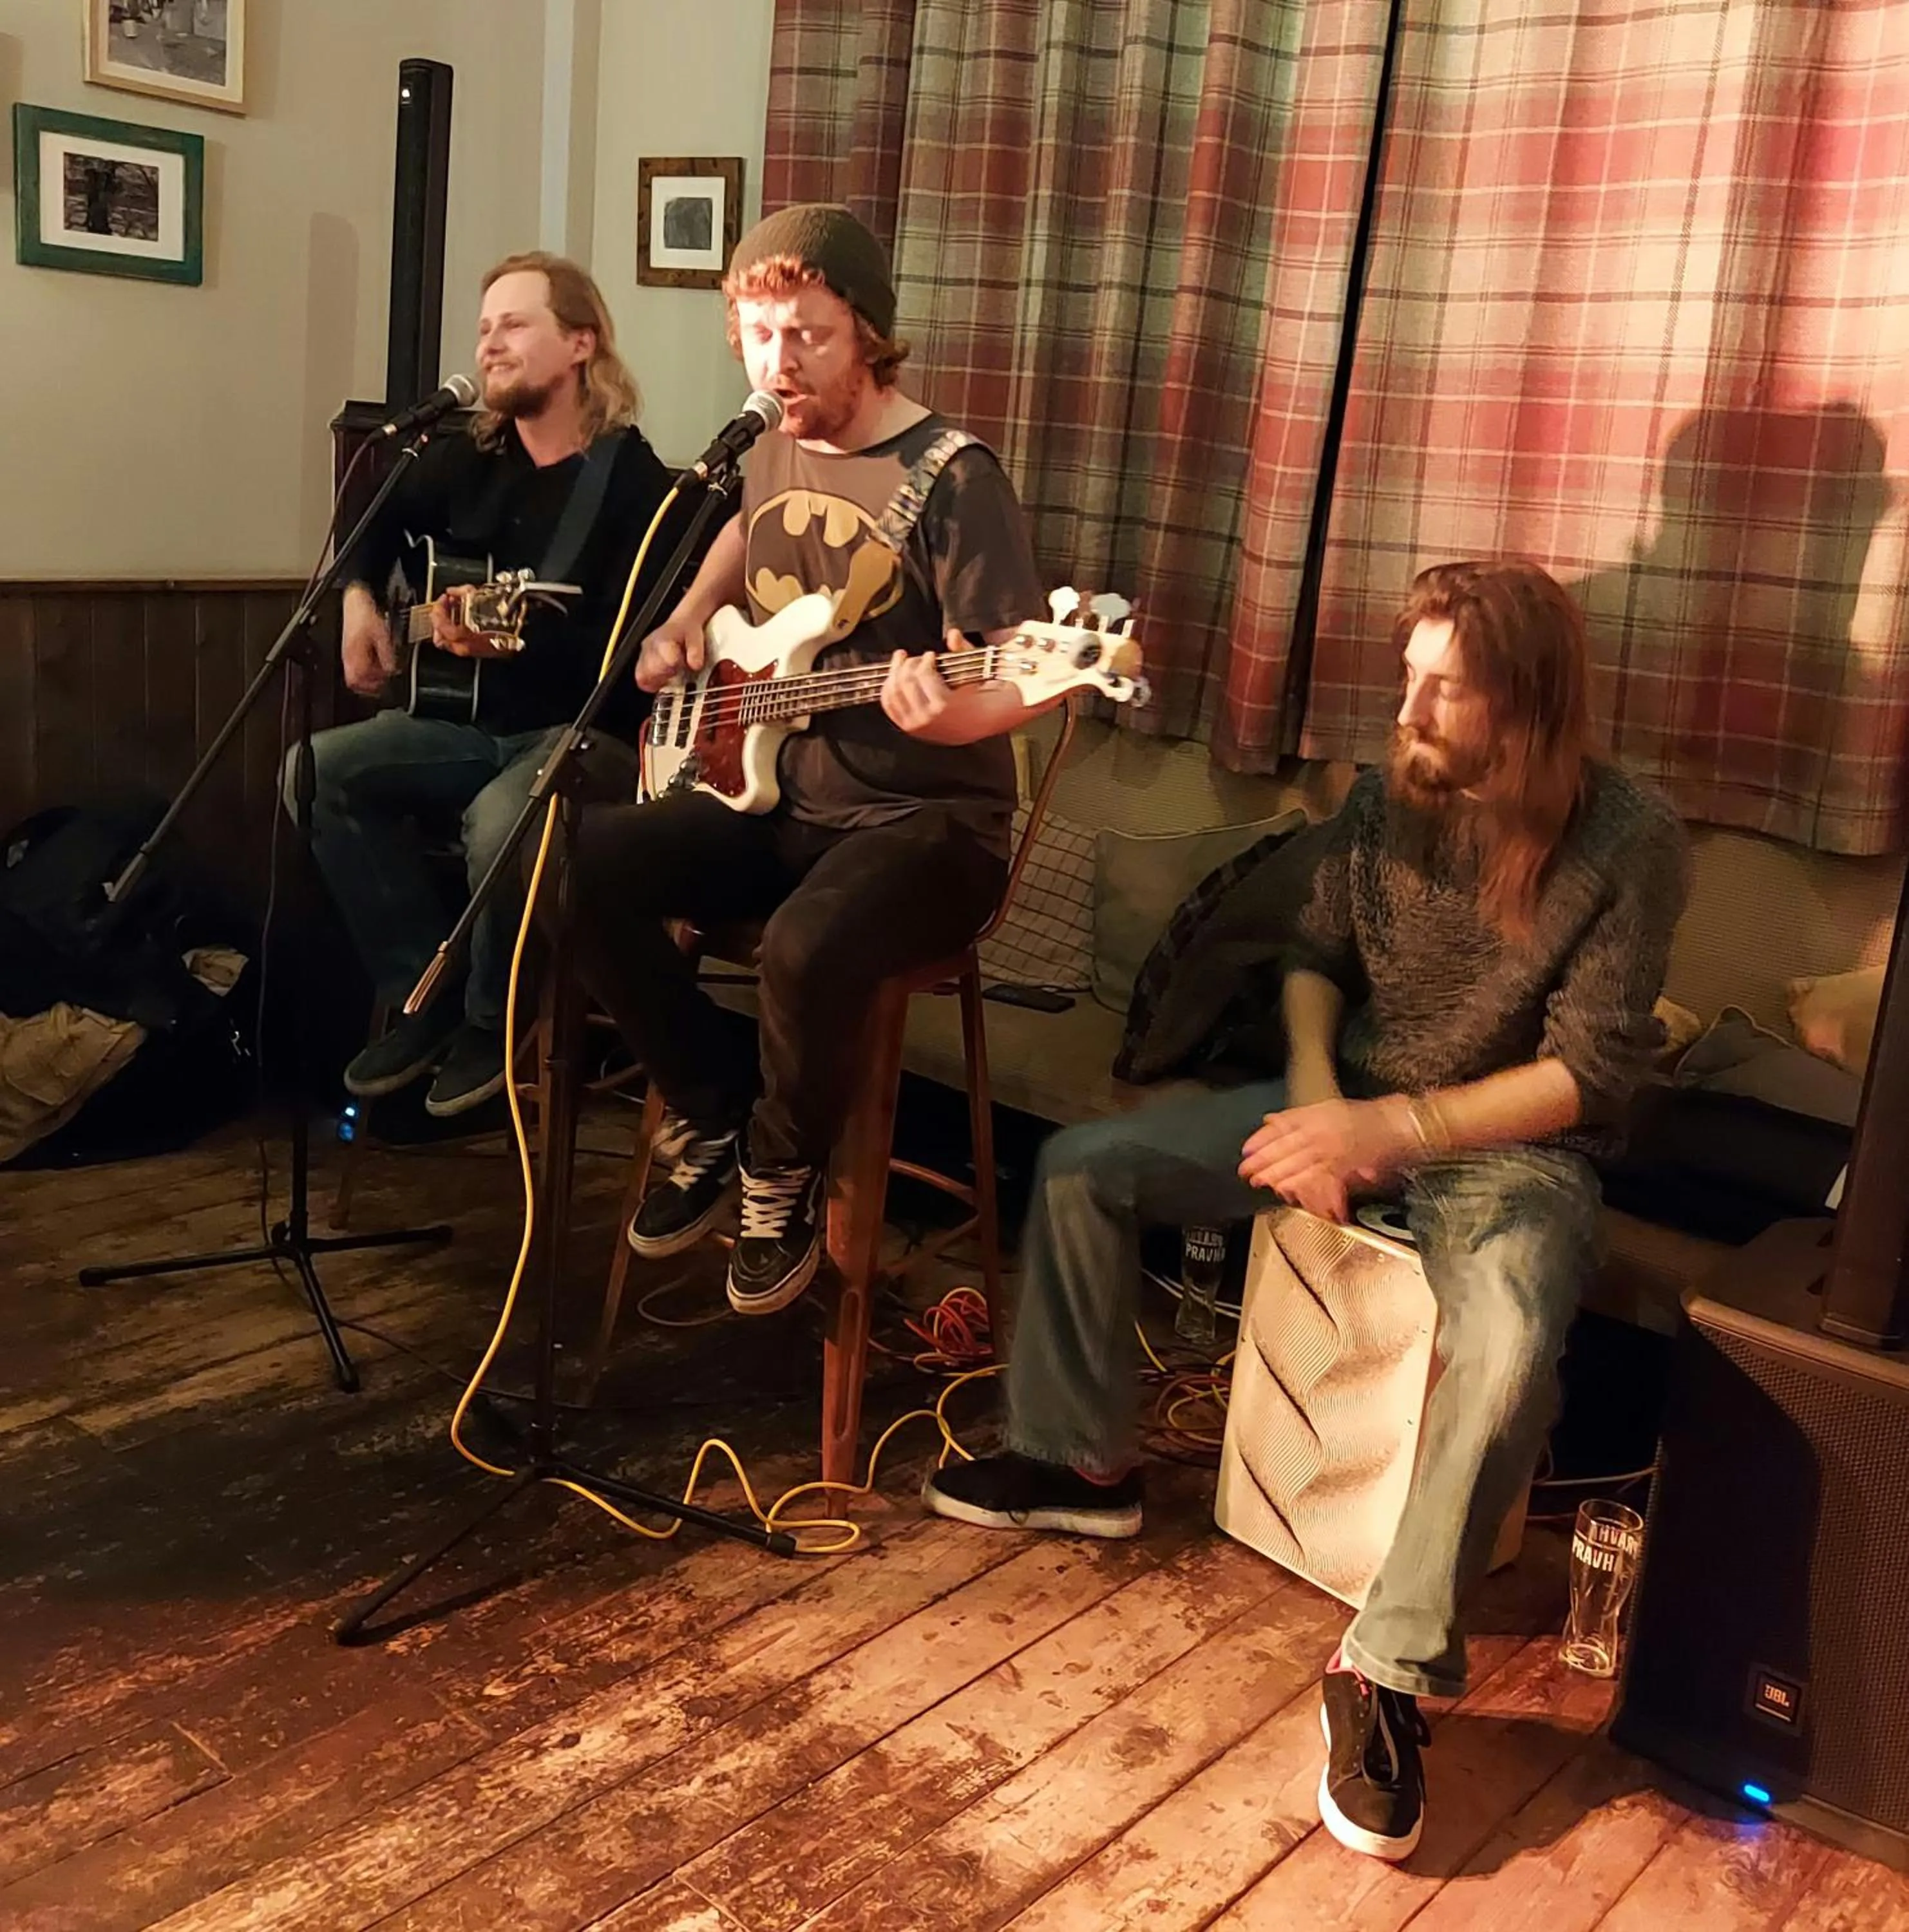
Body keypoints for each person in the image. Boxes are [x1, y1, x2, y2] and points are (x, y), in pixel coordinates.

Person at [925, 560, 1690, 1863]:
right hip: (1353, 1096)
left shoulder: (1628, 840)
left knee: (1506, 1353)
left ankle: (1387, 1674)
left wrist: (1390, 1131)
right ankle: (1078, 1459)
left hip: (1512, 1153)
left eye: (1448, 684)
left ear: (1532, 699)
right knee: (1084, 1169)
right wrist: (1326, 1110)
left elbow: (1589, 1078)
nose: (1416, 703)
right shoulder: (1390, 792)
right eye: (1412, 674)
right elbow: (1315, 962)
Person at [567, 204, 1052, 1317]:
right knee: (567, 859)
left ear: (869, 335)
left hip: (928, 827)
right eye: (757, 330)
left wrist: (946, 715)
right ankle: (709, 1098)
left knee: (801, 945)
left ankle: (780, 1167)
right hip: (778, 796)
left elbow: (1022, 674)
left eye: (807, 334)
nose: (777, 361)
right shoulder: (770, 438)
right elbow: (747, 529)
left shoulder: (954, 477)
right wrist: (689, 618)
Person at [285, 252, 676, 1117]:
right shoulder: (470, 458)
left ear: (581, 343)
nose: (490, 343)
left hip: (586, 742)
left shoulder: (641, 492)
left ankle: (491, 1024)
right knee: (316, 769)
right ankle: (423, 990)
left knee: (502, 817)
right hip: (468, 730)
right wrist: (359, 605)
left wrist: (519, 651)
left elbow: (633, 675)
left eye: (515, 324)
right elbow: (368, 522)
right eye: (485, 327)